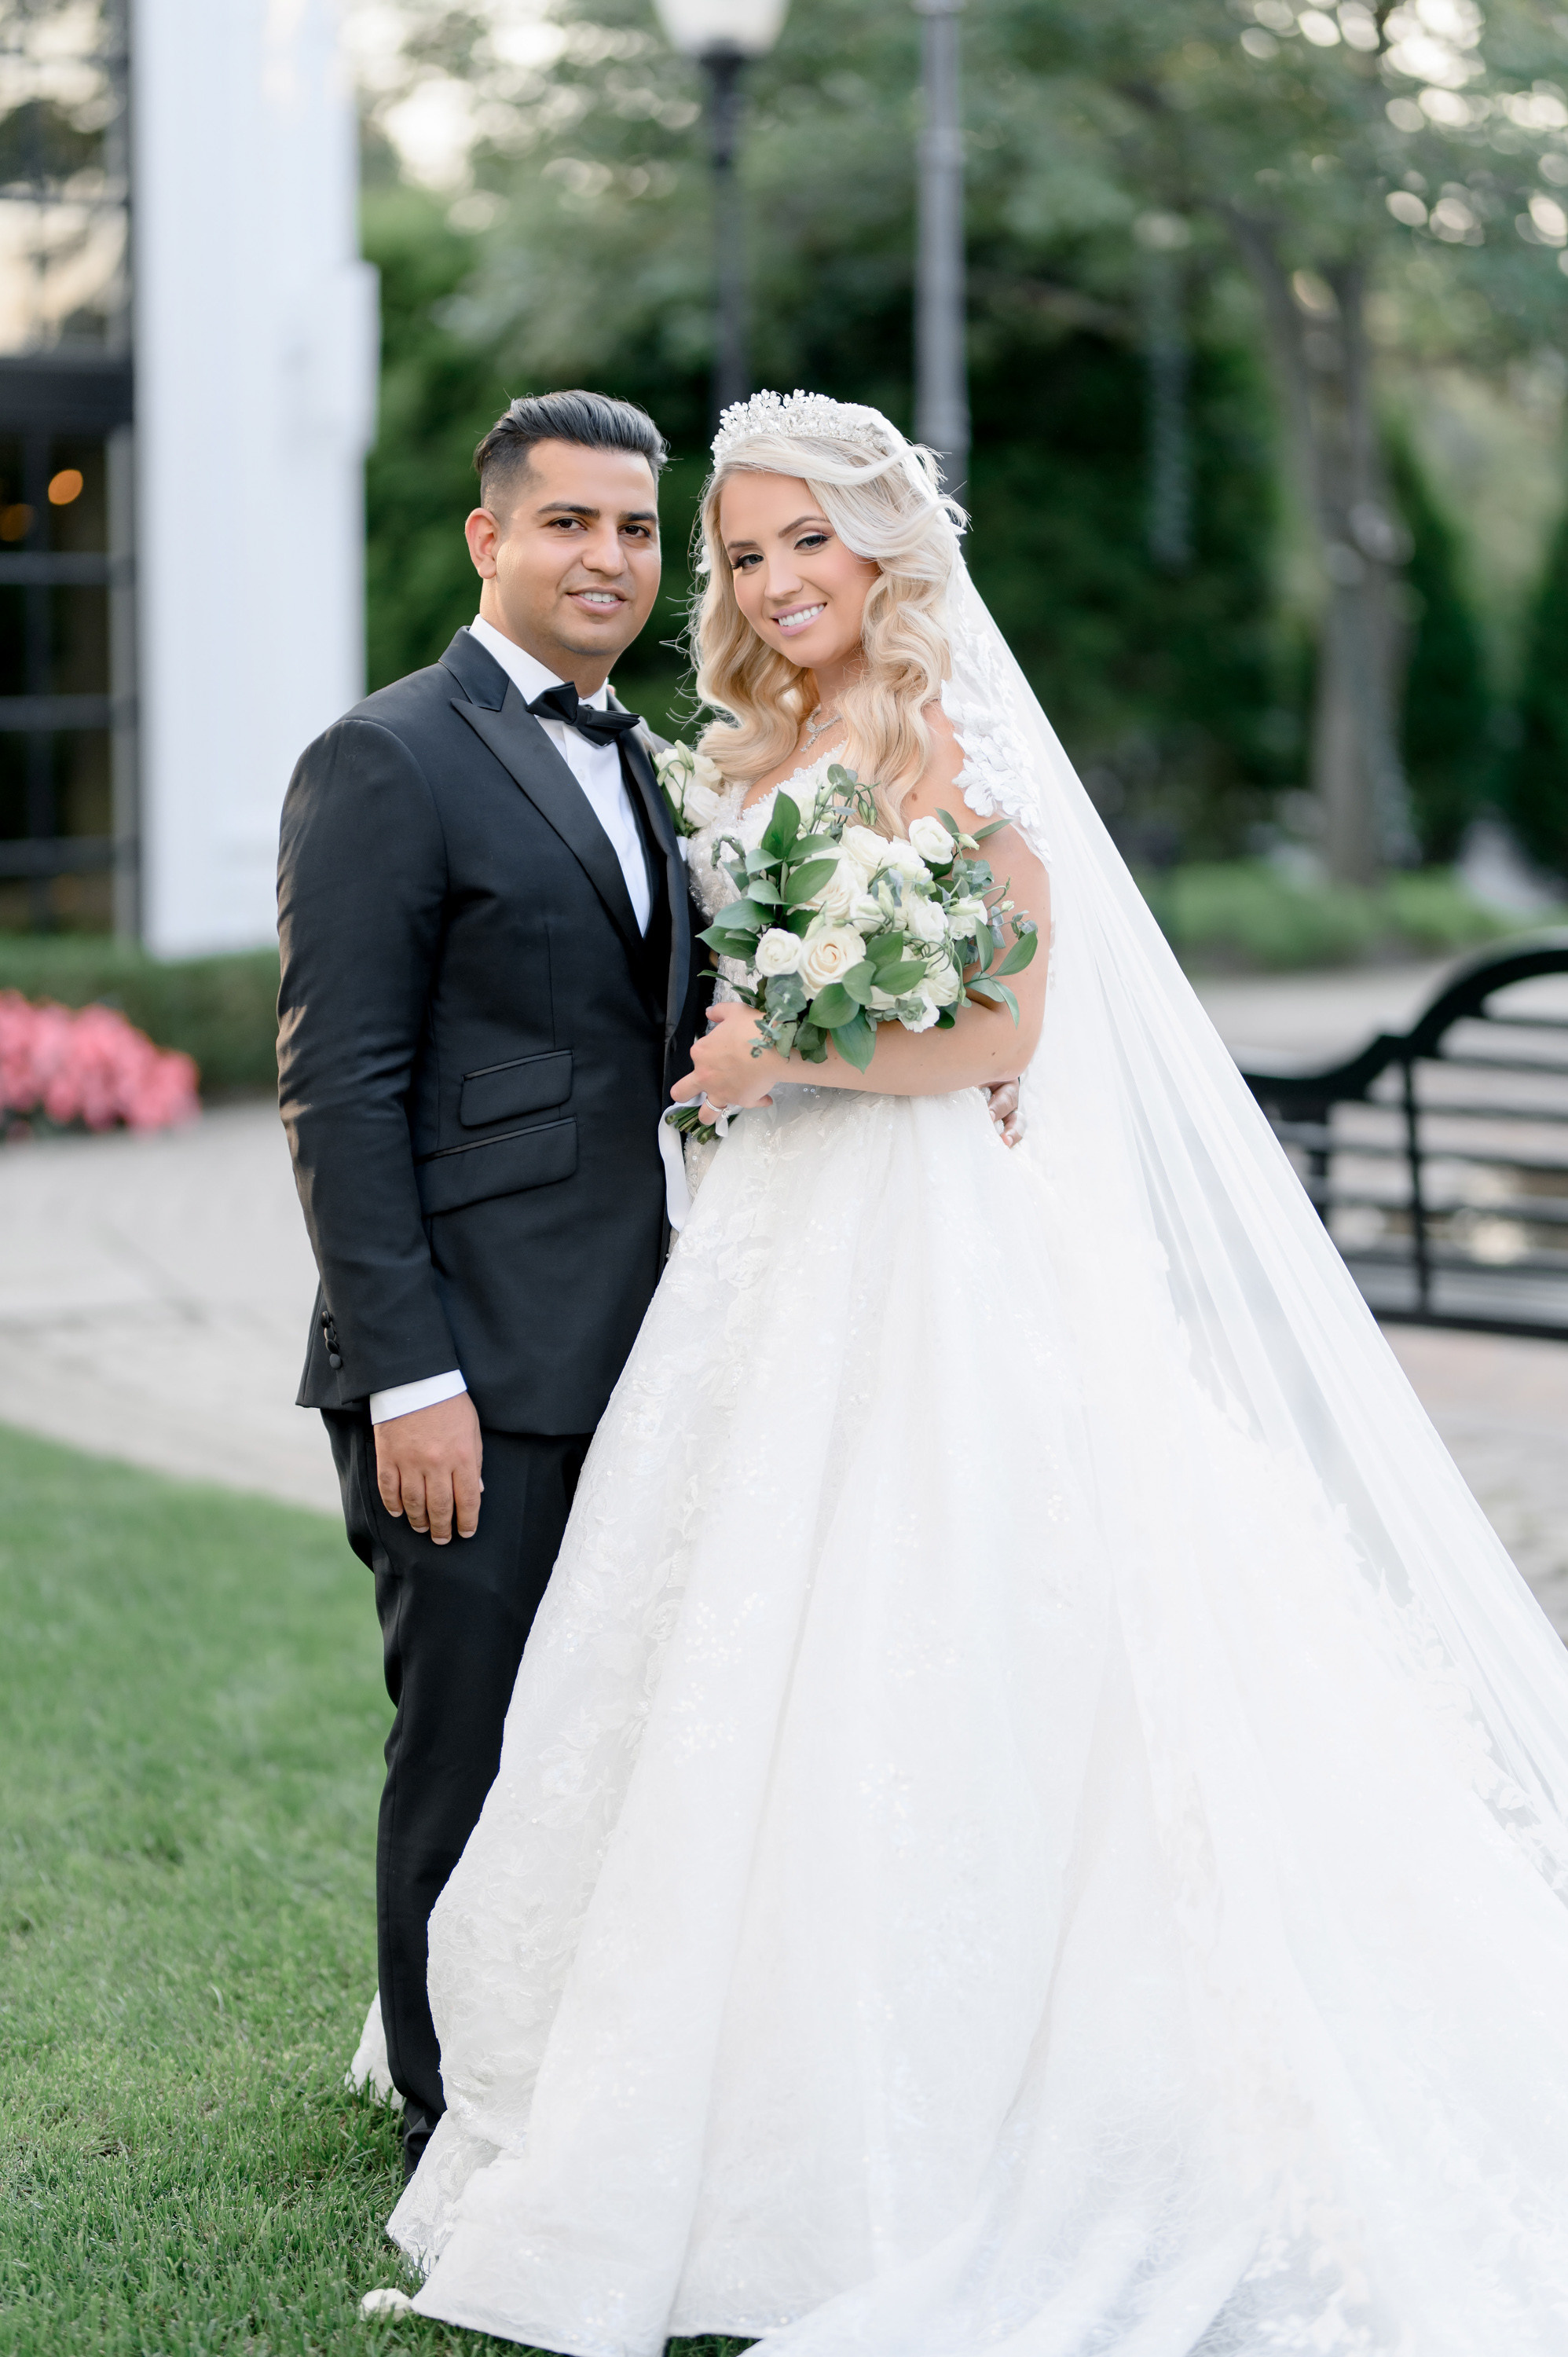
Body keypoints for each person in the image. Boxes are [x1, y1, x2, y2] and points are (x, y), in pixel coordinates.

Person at [378, 390, 1568, 2352]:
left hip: (929, 1243)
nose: (768, 585)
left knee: (963, 1620)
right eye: (741, 556)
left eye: (800, 550)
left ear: (886, 556)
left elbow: (1001, 1034)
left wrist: (790, 1057)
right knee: (741, 1630)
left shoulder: (957, 744)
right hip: (767, 1255)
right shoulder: (744, 747)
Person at [277, 386, 1025, 2187]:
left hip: (667, 1332)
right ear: (489, 540)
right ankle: (460, 2117)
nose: (607, 559)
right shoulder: (385, 758)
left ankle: (581, 2074)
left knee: (604, 1733)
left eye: (635, 531)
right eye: (568, 526)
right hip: (469, 1361)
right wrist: (408, 1379)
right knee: (465, 1738)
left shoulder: (667, 758)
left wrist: (934, 1041)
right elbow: (340, 1088)